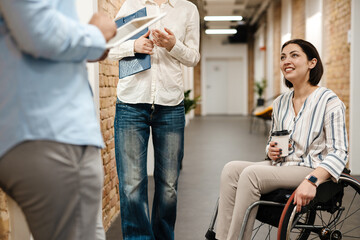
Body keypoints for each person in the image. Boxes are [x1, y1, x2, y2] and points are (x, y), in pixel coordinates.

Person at [0, 1, 117, 240]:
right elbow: (38, 30)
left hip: (46, 131)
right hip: (49, 132)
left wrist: (87, 47)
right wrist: (94, 34)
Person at [215, 39, 348, 240]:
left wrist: (312, 180)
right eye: (283, 57)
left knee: (251, 174)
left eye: (294, 55)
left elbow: (339, 152)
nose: (286, 60)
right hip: (283, 164)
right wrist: (271, 149)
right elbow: (274, 139)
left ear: (312, 63)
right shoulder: (281, 102)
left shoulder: (329, 101)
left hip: (310, 167)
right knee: (231, 169)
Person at [108, 0, 200, 239]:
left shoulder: (187, 9)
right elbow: (107, 48)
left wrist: (173, 45)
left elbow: (193, 57)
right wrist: (134, 46)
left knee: (169, 185)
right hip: (131, 104)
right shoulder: (131, 5)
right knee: (132, 185)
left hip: (170, 105)